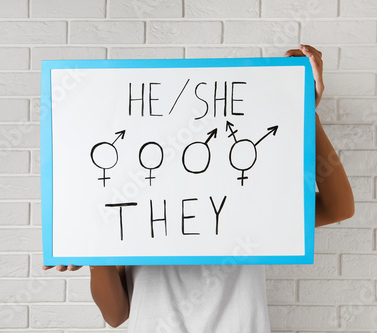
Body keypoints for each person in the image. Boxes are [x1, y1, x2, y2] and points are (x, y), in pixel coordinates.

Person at [43, 44, 355, 332]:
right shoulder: (136, 203)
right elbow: (116, 315)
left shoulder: (249, 197)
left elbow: (338, 207)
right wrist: (93, 249)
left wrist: (300, 111)